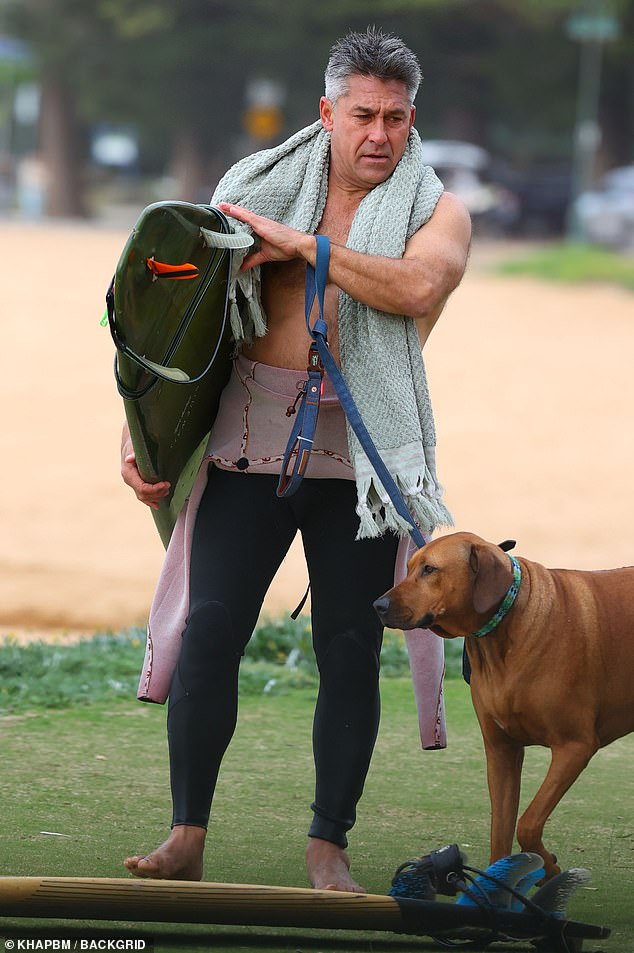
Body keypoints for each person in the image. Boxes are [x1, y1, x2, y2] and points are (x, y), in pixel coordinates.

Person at [120, 26, 471, 892]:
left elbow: (419, 286)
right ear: (327, 112)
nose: (379, 134)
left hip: (357, 457)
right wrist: (140, 428)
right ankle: (186, 835)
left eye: (394, 117)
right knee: (210, 635)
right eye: (362, 115)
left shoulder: (435, 210)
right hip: (246, 440)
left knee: (349, 646)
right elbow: (178, 322)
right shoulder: (255, 190)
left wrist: (305, 248)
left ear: (411, 118)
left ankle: (328, 849)